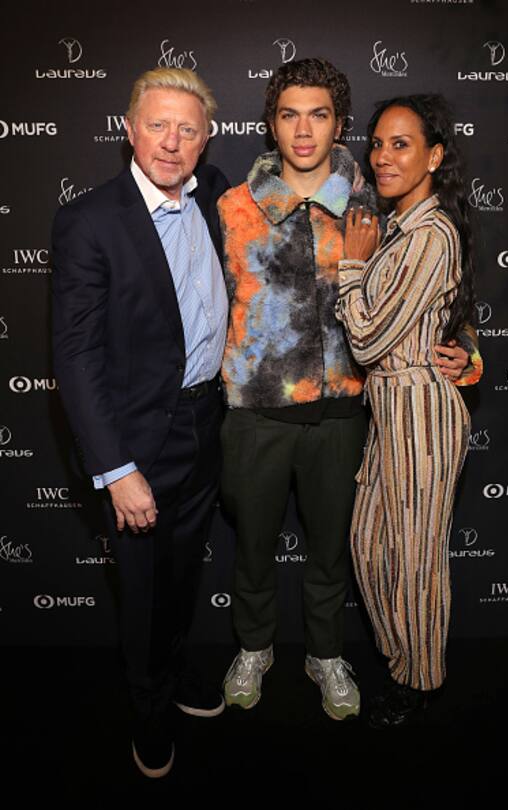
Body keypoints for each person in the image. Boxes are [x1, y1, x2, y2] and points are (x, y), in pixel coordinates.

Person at [217, 60, 477, 721]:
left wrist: (471, 352)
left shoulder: (377, 202)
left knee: (335, 551)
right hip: (258, 413)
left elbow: (437, 297)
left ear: (339, 123)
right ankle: (253, 647)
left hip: (345, 414)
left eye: (320, 114)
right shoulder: (233, 207)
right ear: (271, 123)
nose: (304, 131)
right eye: (289, 114)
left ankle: (326, 654)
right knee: (251, 548)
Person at [52, 67, 229, 778]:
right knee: (143, 589)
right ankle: (148, 706)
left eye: (188, 129)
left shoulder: (216, 195)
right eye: (158, 124)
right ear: (129, 129)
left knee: (184, 574)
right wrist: (117, 469)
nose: (172, 141)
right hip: (136, 443)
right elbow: (75, 355)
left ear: (206, 140)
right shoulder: (91, 220)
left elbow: (309, 185)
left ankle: (176, 670)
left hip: (205, 423)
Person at [336, 93, 482, 728]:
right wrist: (469, 347)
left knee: (416, 556)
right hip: (391, 406)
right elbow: (437, 317)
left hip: (421, 408)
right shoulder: (404, 229)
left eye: (402, 144)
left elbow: (366, 339)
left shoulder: (431, 233)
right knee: (370, 548)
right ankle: (403, 659)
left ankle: (420, 681)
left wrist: (350, 266)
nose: (385, 156)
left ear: (434, 155)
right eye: (379, 143)